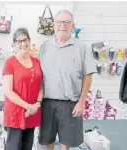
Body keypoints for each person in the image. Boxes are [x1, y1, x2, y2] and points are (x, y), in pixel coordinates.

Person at [37, 10, 96, 150]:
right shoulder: (44, 47)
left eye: (67, 22)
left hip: (70, 104)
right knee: (47, 140)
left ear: (72, 26)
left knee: (66, 142)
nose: (62, 25)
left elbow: (88, 76)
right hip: (47, 103)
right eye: (59, 22)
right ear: (54, 25)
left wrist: (81, 102)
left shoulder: (82, 48)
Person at [2, 28, 43, 150]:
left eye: (25, 40)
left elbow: (41, 86)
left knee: (27, 146)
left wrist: (37, 104)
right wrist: (28, 106)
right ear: (14, 44)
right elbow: (8, 91)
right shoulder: (10, 62)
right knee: (13, 146)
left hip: (32, 112)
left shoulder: (37, 62)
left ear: (30, 41)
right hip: (16, 113)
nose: (22, 43)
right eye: (18, 41)